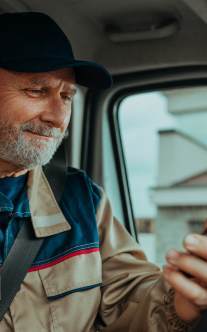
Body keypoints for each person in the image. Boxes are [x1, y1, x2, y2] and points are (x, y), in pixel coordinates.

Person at [0, 11, 206, 332]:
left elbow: (129, 296)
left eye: (67, 96)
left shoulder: (80, 196)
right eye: (37, 90)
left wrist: (182, 300)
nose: (58, 117)